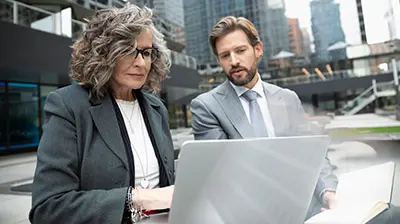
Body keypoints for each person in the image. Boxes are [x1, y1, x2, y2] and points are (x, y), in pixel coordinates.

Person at [190, 16, 399, 223]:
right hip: (254, 215)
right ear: (218, 60)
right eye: (225, 55)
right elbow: (220, 179)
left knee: (389, 213)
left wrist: (328, 193)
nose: (233, 61)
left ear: (258, 49)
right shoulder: (207, 107)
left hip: (310, 207)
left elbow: (312, 156)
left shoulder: (287, 98)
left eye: (240, 50)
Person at [29, 5, 175, 224]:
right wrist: (136, 199)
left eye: (146, 52)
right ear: (103, 54)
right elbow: (48, 208)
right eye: (127, 50)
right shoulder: (68, 106)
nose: (140, 62)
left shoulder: (157, 108)